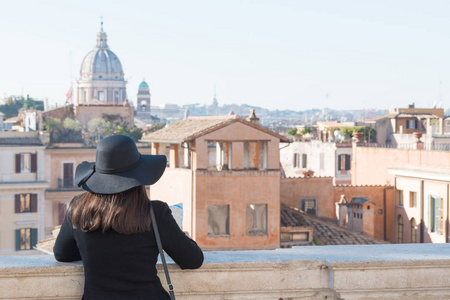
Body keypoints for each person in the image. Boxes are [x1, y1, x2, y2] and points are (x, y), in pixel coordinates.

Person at [54, 135, 204, 300]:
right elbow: (192, 260)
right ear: (139, 176)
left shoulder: (78, 209)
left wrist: (93, 250)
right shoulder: (155, 212)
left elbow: (62, 254)